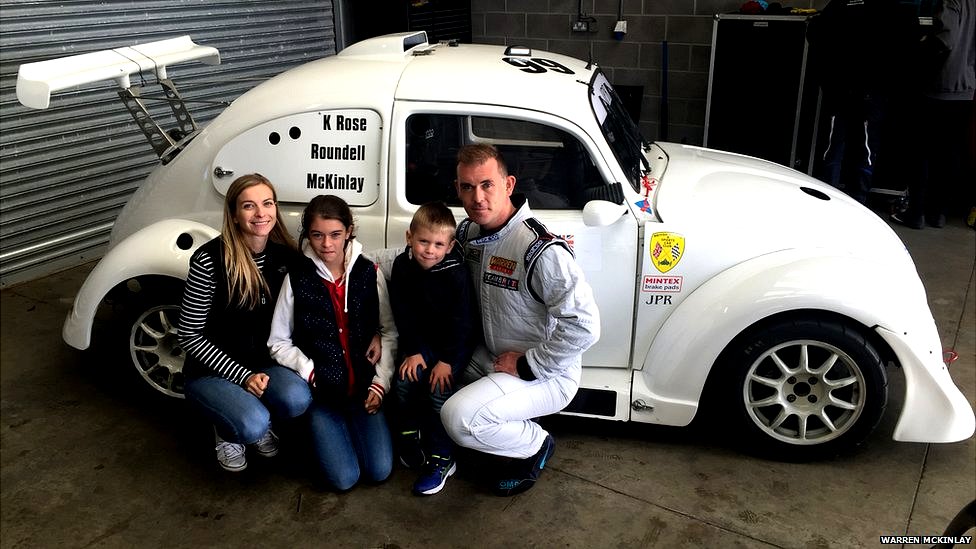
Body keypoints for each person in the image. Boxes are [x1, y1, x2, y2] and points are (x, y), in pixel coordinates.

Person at [441, 144, 600, 496]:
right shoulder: (468, 233)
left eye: (487, 185)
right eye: (467, 187)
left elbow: (585, 325)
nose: (477, 197)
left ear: (509, 185)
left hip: (545, 373)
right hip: (492, 358)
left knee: (457, 417)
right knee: (429, 370)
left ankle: (535, 444)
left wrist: (529, 365)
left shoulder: (538, 248)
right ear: (458, 189)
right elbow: (424, 254)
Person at [179, 173, 311, 473]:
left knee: (297, 398)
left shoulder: (284, 257)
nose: (261, 213)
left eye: (267, 203)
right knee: (251, 426)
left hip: (262, 365)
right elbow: (188, 334)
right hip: (212, 371)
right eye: (249, 206)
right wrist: (242, 376)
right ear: (234, 215)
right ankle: (231, 426)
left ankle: (247, 410)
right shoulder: (209, 260)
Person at [268, 194, 396, 491]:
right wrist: (309, 370)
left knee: (379, 471)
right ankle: (321, 436)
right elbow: (277, 342)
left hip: (364, 393)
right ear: (308, 236)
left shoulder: (368, 272)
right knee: (344, 479)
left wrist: (381, 383)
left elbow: (388, 331)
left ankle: (352, 431)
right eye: (317, 235)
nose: (327, 244)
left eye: (335, 235)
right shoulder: (297, 278)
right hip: (323, 399)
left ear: (349, 231)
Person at [388, 201, 479, 496]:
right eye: (423, 241)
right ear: (409, 238)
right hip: (420, 343)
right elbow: (402, 311)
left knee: (439, 391)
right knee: (405, 381)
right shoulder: (403, 266)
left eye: (438, 244)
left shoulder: (456, 273)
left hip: (453, 346)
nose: (429, 250)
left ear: (450, 245)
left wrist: (447, 362)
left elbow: (463, 322)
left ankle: (442, 457)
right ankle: (408, 437)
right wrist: (413, 350)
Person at [806, 0, 920, 204]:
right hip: (875, 87)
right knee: (866, 149)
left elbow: (816, 32)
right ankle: (859, 201)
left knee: (835, 146)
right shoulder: (897, 8)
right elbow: (909, 44)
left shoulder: (842, 4)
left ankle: (827, 199)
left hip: (841, 86)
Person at [892, 0, 975, 229]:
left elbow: (945, 38)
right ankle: (938, 213)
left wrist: (916, 55)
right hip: (966, 89)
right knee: (949, 154)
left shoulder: (951, 0)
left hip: (939, 85)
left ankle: (915, 213)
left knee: (921, 152)